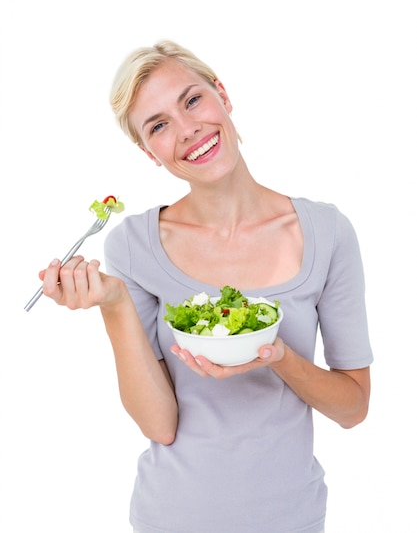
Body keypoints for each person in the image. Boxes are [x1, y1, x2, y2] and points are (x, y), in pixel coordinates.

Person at [40, 40, 373, 533]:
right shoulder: (133, 245)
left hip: (291, 518)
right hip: (170, 517)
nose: (187, 129)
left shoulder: (327, 232)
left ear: (222, 95)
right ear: (148, 152)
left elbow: (354, 409)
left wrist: (277, 356)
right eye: (158, 126)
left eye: (192, 100)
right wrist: (113, 304)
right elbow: (160, 424)